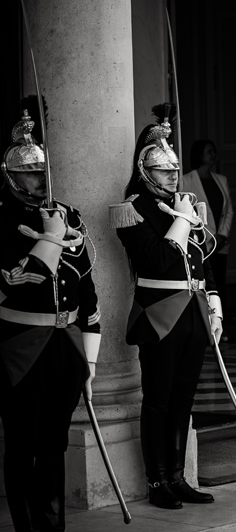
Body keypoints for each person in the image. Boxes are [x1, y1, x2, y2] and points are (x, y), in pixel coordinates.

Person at [110, 103, 220, 509]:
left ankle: (178, 476)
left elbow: (204, 259)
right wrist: (183, 220)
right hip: (158, 315)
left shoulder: (186, 201)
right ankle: (156, 482)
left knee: (184, 399)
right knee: (158, 399)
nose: (173, 176)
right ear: (145, 171)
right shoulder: (133, 209)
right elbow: (155, 259)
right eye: (164, 170)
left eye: (175, 170)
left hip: (193, 312)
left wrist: (216, 306)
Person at [0, 100, 100, 531]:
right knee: (23, 442)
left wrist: (90, 356)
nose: (39, 180)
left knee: (55, 442)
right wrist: (52, 238)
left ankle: (51, 522)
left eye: (43, 172)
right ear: (10, 175)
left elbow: (87, 286)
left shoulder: (67, 213)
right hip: (22, 346)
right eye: (29, 173)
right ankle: (25, 525)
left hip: (65, 344)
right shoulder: (3, 219)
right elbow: (17, 279)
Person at [183, 140, 233, 324]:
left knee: (220, 285)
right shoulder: (185, 180)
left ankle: (220, 324)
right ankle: (204, 324)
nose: (213, 154)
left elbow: (228, 211)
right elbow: (187, 212)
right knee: (203, 284)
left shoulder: (221, 179)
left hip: (220, 242)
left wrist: (223, 235)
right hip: (200, 243)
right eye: (209, 151)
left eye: (214, 151)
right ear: (198, 155)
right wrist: (209, 237)